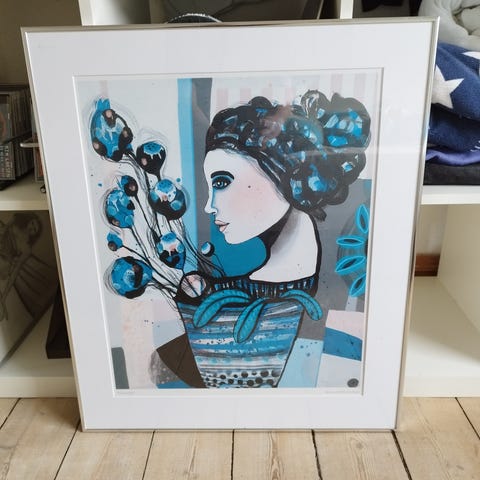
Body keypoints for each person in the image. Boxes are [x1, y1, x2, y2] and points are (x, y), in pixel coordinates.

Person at [151, 90, 371, 388]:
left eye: (222, 182)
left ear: (282, 172)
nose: (209, 206)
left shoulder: (346, 329)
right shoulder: (210, 297)